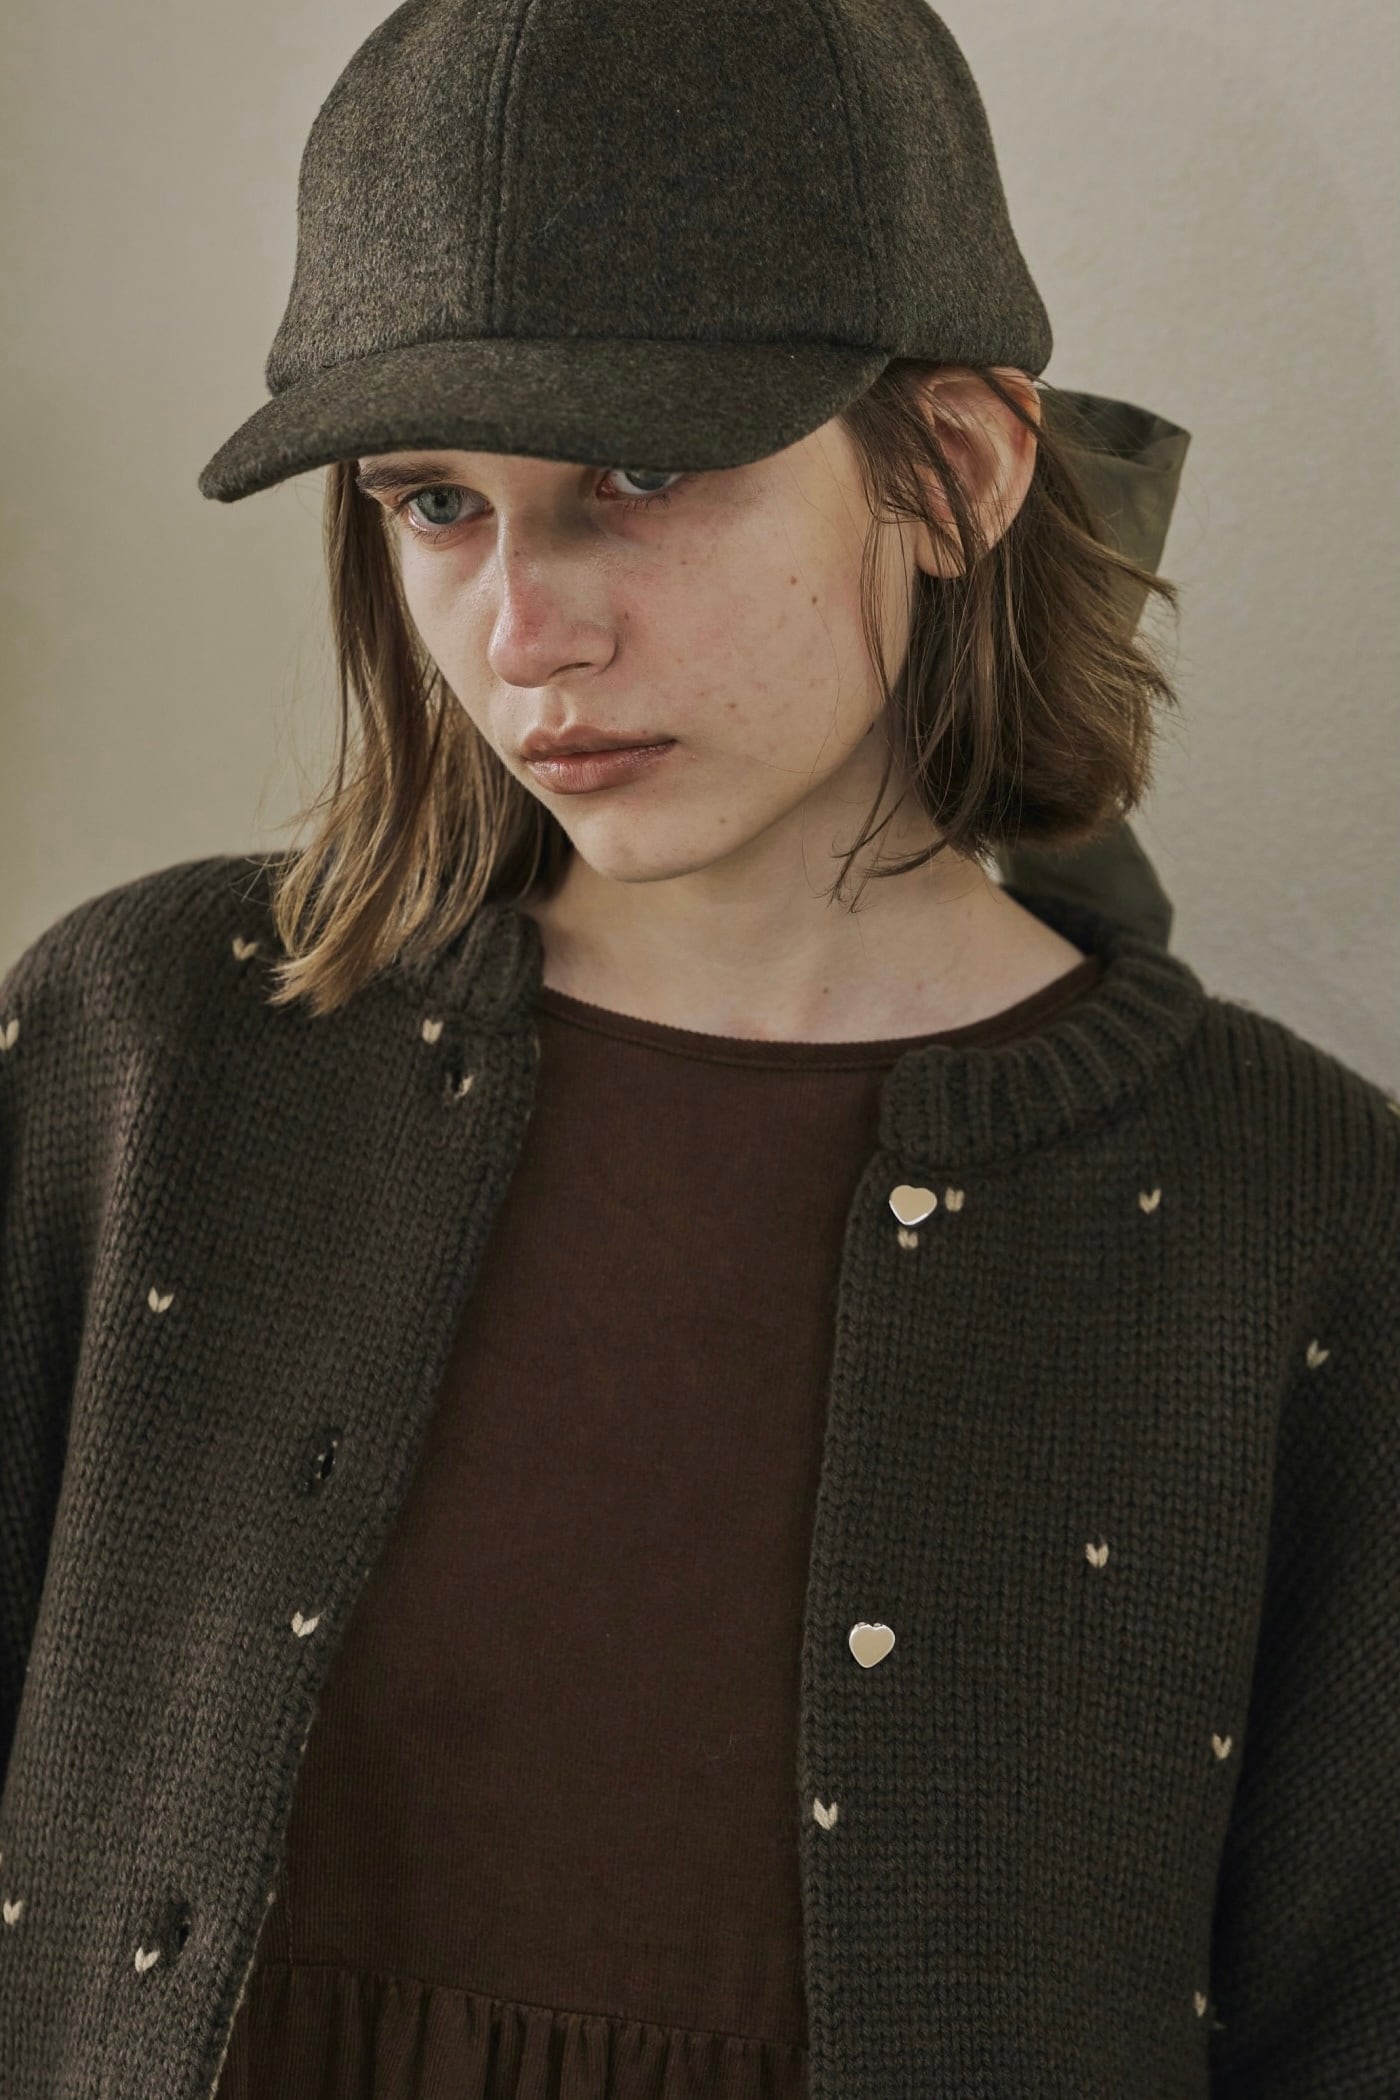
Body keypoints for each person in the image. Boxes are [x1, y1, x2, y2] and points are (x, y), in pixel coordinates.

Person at [1, 4, 1395, 2098]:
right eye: (433, 501)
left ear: (959, 470)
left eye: (639, 478)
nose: (522, 633)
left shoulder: (1297, 1219)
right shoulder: (150, 1050)